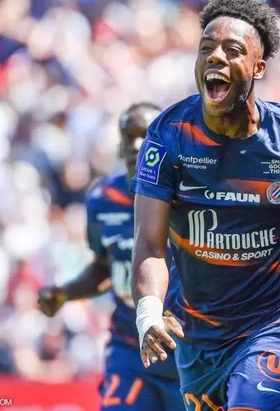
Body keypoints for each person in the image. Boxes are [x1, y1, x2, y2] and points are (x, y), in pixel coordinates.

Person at [131, 0, 280, 411]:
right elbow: (149, 243)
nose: (215, 56)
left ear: (258, 68)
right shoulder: (168, 136)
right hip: (197, 335)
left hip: (274, 323)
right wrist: (148, 313)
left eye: (233, 50)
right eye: (206, 48)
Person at [37, 103, 184, 411]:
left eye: (146, 136)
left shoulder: (189, 197)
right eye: (128, 137)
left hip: (185, 349)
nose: (136, 145)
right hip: (130, 348)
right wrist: (65, 293)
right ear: (119, 145)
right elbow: (105, 269)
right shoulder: (102, 199)